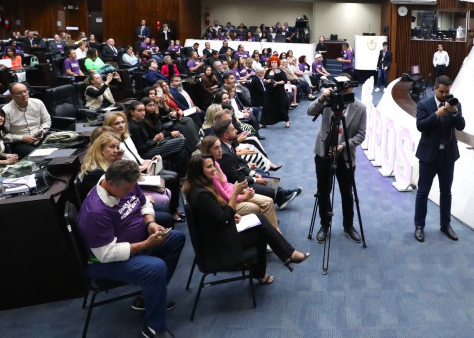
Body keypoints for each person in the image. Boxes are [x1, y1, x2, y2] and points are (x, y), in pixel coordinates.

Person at [77, 159, 185, 338]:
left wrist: (150, 222)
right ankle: (154, 328)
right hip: (104, 261)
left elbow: (143, 204)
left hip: (135, 241)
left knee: (176, 238)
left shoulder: (126, 182)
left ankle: (149, 296)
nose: (130, 191)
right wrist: (146, 245)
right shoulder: (95, 212)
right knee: (155, 268)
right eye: (127, 189)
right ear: (110, 184)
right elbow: (106, 254)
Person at [183, 154, 309, 286]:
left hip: (217, 234)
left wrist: (232, 214)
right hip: (218, 245)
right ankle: (282, 258)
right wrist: (235, 194)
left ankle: (283, 258)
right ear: (198, 171)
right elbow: (224, 219)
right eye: (209, 167)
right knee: (261, 231)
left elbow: (216, 213)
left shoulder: (199, 189)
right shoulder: (202, 194)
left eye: (213, 166)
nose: (214, 170)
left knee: (259, 220)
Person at [307, 75, 367, 244]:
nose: (342, 89)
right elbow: (310, 111)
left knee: (347, 193)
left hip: (345, 155)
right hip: (323, 152)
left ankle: (348, 226)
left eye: (345, 86)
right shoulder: (328, 100)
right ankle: (324, 225)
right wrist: (321, 98)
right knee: (323, 191)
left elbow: (361, 135)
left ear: (352, 87)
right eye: (339, 85)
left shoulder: (360, 107)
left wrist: (345, 145)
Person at [413, 75, 466, 243]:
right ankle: (419, 226)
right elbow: (420, 126)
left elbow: (461, 126)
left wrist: (455, 112)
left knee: (446, 192)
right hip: (428, 156)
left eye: (447, 91)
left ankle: (445, 224)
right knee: (422, 192)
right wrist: (436, 114)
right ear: (434, 89)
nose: (445, 95)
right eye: (442, 91)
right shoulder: (424, 105)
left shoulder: (454, 104)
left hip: (447, 156)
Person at [213, 118, 301, 208]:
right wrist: (254, 179)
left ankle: (282, 194)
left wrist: (253, 173)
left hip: (241, 177)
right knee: (267, 187)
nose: (236, 130)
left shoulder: (228, 145)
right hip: (237, 185)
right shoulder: (224, 154)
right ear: (226, 136)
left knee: (260, 172)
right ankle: (280, 197)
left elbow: (239, 162)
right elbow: (234, 178)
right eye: (233, 129)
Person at [198, 137, 279, 229]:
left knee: (269, 202)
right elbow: (224, 197)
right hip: (231, 201)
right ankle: (272, 235)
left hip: (235, 195)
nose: (220, 150)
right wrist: (243, 196)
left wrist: (243, 190)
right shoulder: (212, 173)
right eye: (216, 148)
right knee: (261, 207)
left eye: (220, 147)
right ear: (208, 151)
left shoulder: (216, 164)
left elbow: (228, 185)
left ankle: (273, 234)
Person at [2, 83, 51, 158]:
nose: (24, 94)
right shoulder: (6, 111)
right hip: (20, 143)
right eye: (19, 93)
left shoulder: (38, 103)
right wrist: (22, 138)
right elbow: (3, 134)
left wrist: (42, 130)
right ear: (12, 95)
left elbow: (46, 121)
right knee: (40, 156)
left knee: (63, 146)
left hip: (40, 137)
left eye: (25, 91)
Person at [260, 57, 290, 128]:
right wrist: (266, 81)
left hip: (279, 92)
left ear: (277, 63)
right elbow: (264, 79)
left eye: (275, 62)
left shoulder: (280, 71)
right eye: (272, 62)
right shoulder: (268, 71)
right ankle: (264, 122)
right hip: (269, 91)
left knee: (281, 107)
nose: (273, 64)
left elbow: (285, 80)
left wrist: (277, 83)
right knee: (266, 107)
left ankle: (287, 121)